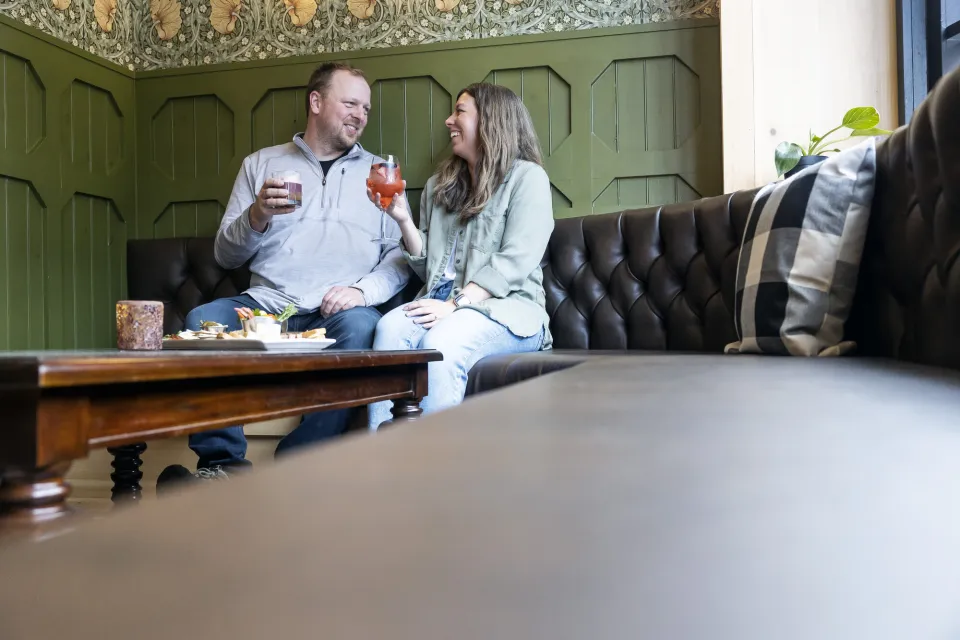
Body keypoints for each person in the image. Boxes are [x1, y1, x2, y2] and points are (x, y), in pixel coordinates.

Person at [159, 62, 409, 488]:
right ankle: (222, 469)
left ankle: (300, 463)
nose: (361, 115)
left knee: (363, 327)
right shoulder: (261, 164)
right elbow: (225, 254)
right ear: (316, 102)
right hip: (266, 308)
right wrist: (257, 214)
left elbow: (400, 257)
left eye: (366, 108)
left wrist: (361, 291)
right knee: (202, 320)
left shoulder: (380, 173)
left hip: (339, 312)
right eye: (350, 103)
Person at [367, 83, 554, 429]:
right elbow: (428, 267)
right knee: (389, 328)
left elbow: (515, 261)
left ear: (490, 121)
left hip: (510, 311)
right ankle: (384, 455)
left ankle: (437, 460)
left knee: (442, 341)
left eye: (460, 112)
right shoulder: (440, 186)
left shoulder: (528, 179)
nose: (448, 120)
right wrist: (403, 219)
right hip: (445, 303)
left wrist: (455, 306)